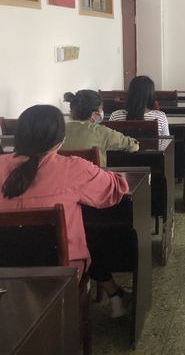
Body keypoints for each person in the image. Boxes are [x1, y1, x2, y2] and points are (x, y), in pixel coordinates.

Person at [0, 105, 132, 317]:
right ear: (61, 139)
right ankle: (114, 294)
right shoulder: (74, 168)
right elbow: (116, 189)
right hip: (62, 272)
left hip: (6, 274)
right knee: (89, 233)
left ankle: (114, 293)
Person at [62, 90, 139, 167]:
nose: (102, 111)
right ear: (94, 114)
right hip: (93, 174)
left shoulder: (58, 130)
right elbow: (134, 146)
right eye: (101, 108)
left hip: (61, 174)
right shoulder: (101, 132)